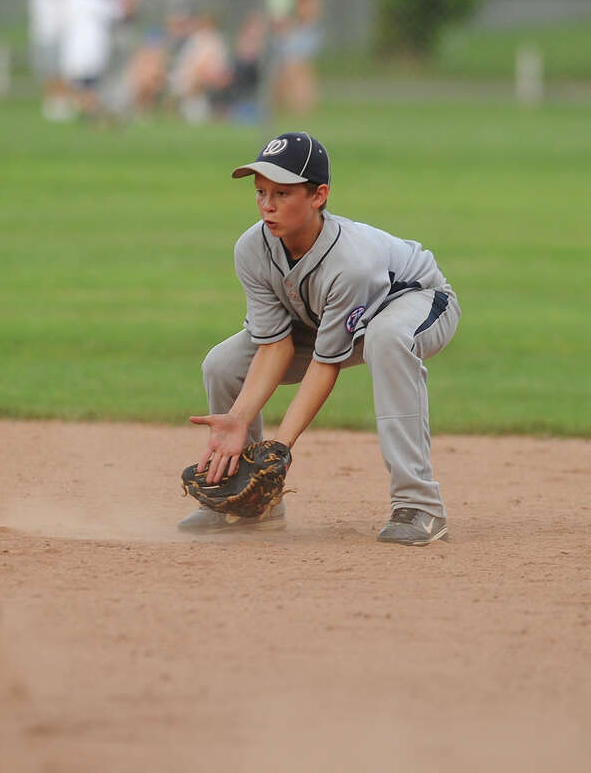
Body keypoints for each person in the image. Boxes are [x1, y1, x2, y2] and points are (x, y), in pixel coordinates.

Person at [180, 133, 460, 546]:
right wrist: (239, 417)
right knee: (223, 363)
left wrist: (280, 447)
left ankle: (419, 505)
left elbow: (325, 364)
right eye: (260, 192)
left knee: (385, 338)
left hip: (416, 302)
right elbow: (274, 345)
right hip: (323, 318)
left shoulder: (352, 262)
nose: (267, 205)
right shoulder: (252, 248)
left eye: (282, 192)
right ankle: (256, 505)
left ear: (318, 195)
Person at [27, 0, 78, 120]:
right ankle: (51, 100)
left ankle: (63, 101)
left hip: (60, 30)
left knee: (60, 69)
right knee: (46, 69)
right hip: (42, 29)